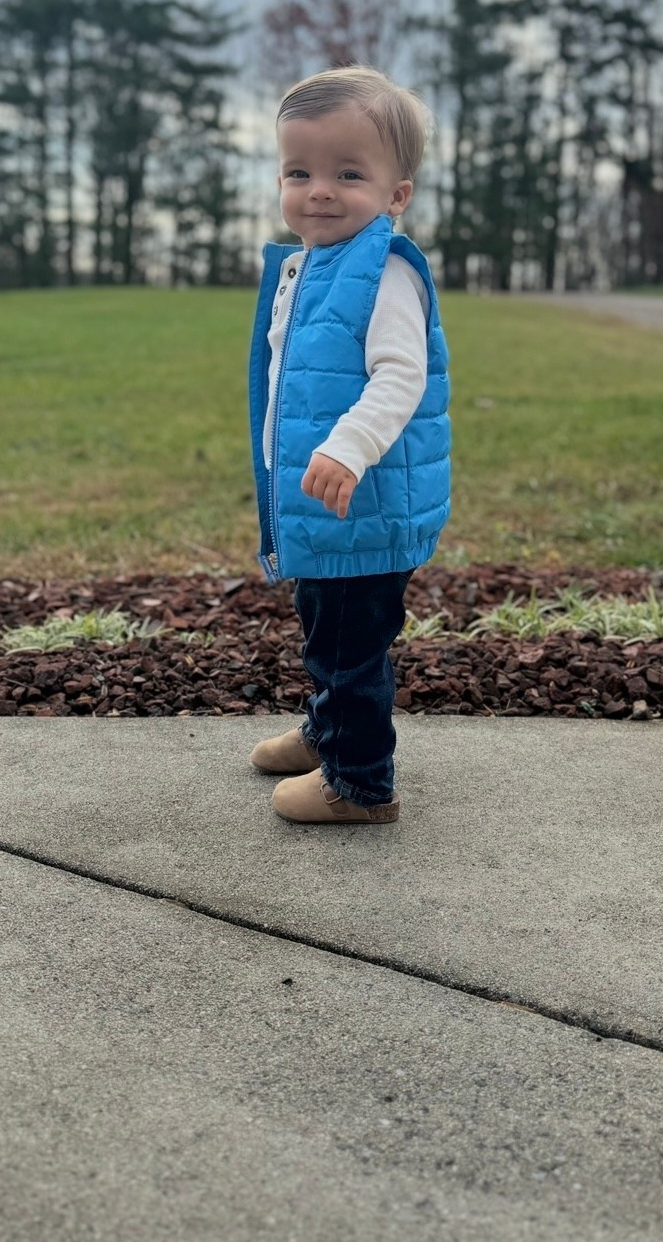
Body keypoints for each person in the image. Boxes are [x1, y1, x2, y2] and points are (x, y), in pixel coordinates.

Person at [245, 66, 452, 825]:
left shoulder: (386, 270)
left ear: (396, 195)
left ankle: (360, 782)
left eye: (348, 173)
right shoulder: (314, 265)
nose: (319, 190)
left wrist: (348, 446)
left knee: (349, 643)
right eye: (300, 171)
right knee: (325, 627)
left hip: (359, 498)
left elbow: (401, 376)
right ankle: (328, 731)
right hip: (327, 501)